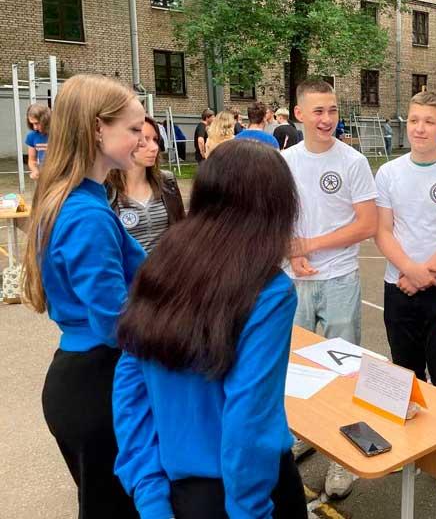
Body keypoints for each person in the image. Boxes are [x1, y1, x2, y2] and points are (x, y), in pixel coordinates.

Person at [113, 140, 306, 519]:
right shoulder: (269, 290)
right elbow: (250, 417)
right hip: (246, 492)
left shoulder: (162, 263)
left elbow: (130, 386)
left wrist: (150, 496)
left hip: (178, 489)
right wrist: (249, 510)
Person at [22, 74, 146, 518]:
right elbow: (116, 321)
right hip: (98, 385)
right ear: (97, 128)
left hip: (87, 378)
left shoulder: (78, 200)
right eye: (133, 129)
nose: (142, 139)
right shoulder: (86, 214)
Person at [283, 78, 377, 499]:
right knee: (296, 370)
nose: (326, 119)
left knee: (345, 371)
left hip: (339, 279)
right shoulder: (284, 161)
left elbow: (367, 224)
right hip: (296, 281)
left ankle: (343, 459)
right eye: (318, 111)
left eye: (332, 110)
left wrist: (310, 245)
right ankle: (302, 434)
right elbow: (278, 216)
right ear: (299, 114)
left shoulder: (353, 161)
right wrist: (292, 252)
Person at [375, 91, 436, 396]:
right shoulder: (389, 173)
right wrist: (409, 270)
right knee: (405, 376)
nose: (419, 128)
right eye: (414, 120)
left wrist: (425, 273)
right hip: (399, 287)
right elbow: (383, 231)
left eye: (429, 122)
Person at [106, 115, 186, 254]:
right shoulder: (105, 189)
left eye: (155, 140)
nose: (154, 147)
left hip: (167, 266)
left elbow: (182, 230)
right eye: (143, 140)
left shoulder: (167, 182)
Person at [25, 102, 51, 180]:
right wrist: (35, 171)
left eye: (37, 123)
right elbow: (32, 160)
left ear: (46, 120)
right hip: (44, 177)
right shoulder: (31, 136)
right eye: (32, 124)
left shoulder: (60, 134)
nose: (35, 127)